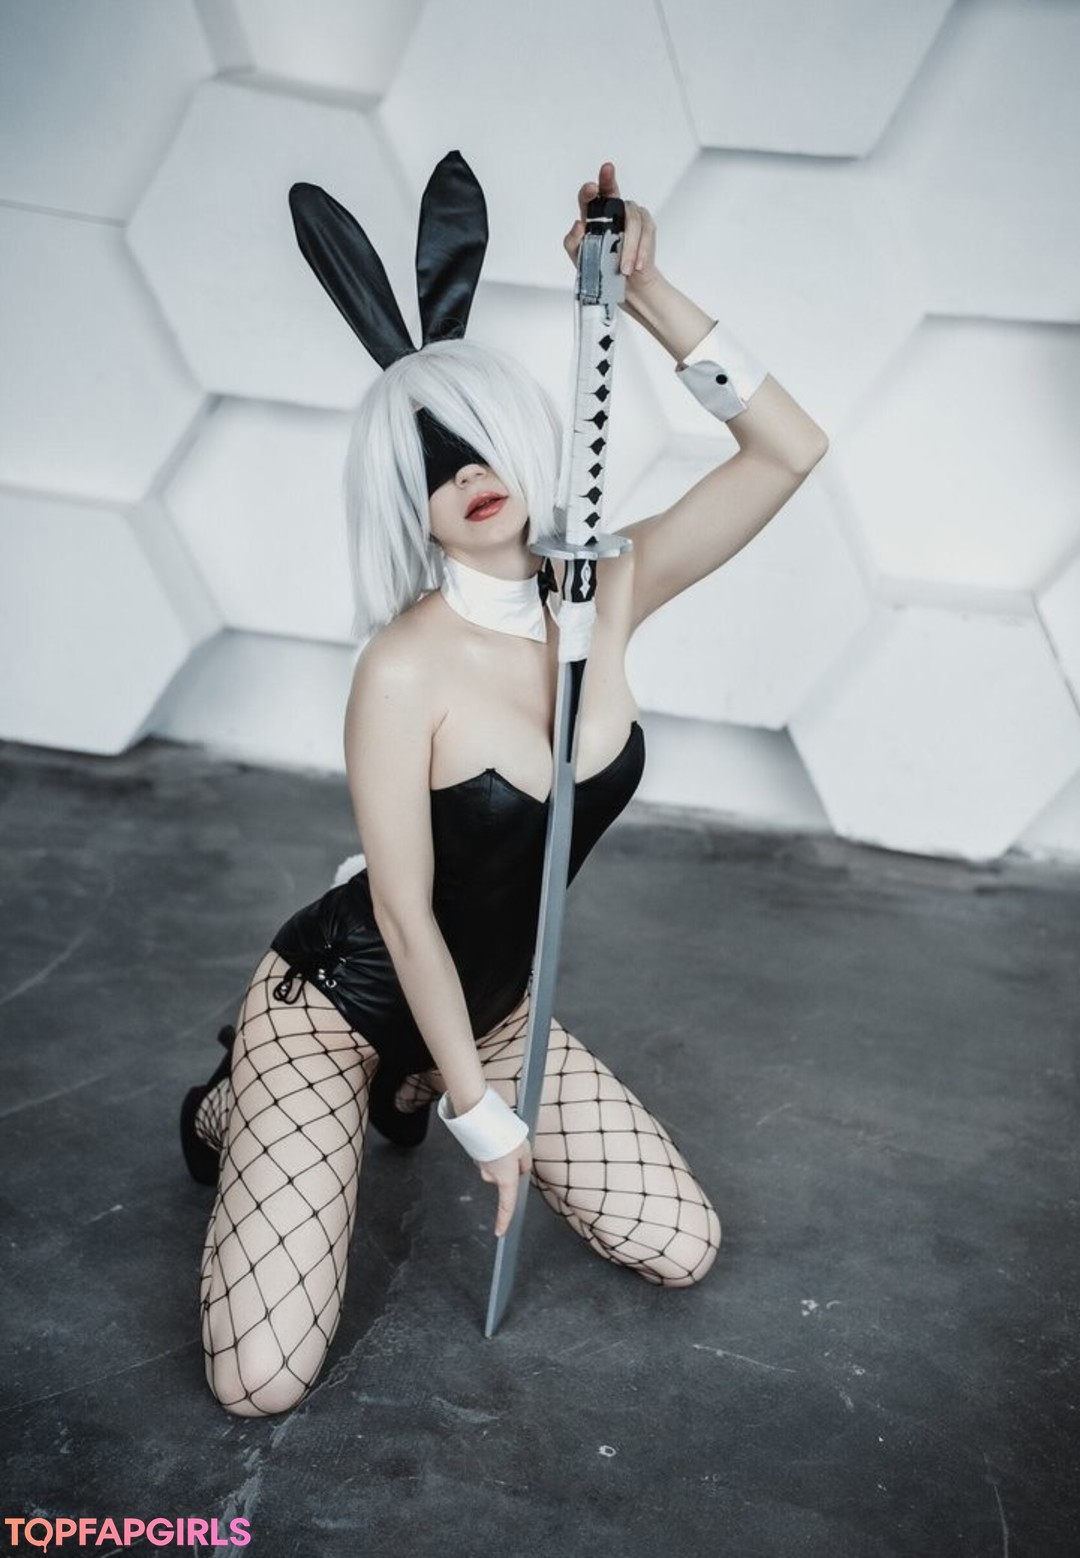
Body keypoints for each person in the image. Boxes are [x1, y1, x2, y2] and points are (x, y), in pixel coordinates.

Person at [179, 154, 829, 1417]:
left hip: (490, 1010)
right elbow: (403, 912)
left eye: (480, 438)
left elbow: (787, 449)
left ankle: (410, 1087)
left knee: (681, 1244)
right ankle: (231, 1102)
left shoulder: (607, 590)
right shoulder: (402, 668)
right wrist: (482, 1122)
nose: (468, 473)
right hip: (342, 1001)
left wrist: (645, 290)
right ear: (404, 497)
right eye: (433, 462)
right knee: (260, 1383)